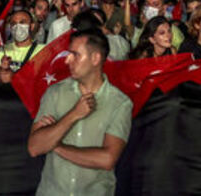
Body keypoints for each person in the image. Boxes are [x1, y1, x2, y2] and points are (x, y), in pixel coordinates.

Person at [28, 28, 131, 196]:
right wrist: (73, 114)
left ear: (95, 58)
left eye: (75, 55)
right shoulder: (55, 92)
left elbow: (107, 159)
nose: (68, 60)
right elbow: (34, 147)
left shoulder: (119, 103)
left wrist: (56, 145)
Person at [0, 10, 47, 83]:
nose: (18, 26)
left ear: (32, 26)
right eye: (14, 23)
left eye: (22, 22)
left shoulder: (43, 50)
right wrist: (4, 70)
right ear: (10, 27)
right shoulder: (2, 50)